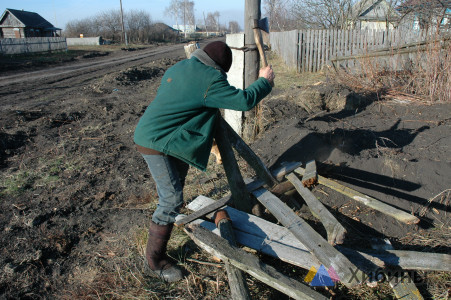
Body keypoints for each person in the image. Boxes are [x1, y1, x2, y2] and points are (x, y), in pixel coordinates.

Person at [134, 41, 275, 282]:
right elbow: (244, 101)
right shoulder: (210, 79)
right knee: (171, 199)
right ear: (219, 68)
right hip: (159, 143)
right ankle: (154, 262)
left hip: (159, 136)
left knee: (174, 188)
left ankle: (158, 249)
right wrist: (265, 81)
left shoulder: (179, 67)